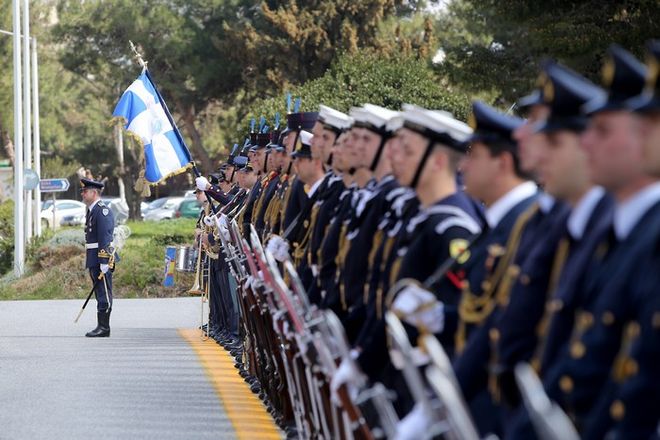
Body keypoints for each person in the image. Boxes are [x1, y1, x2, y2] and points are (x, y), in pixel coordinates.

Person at [80, 177, 115, 338]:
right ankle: (101, 325)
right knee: (99, 291)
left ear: (94, 193)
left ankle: (104, 327)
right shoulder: (93, 210)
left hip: (101, 258)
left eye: (85, 191)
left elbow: (105, 238)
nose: (82, 194)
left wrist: (104, 261)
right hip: (93, 257)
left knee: (104, 293)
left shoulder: (102, 211)